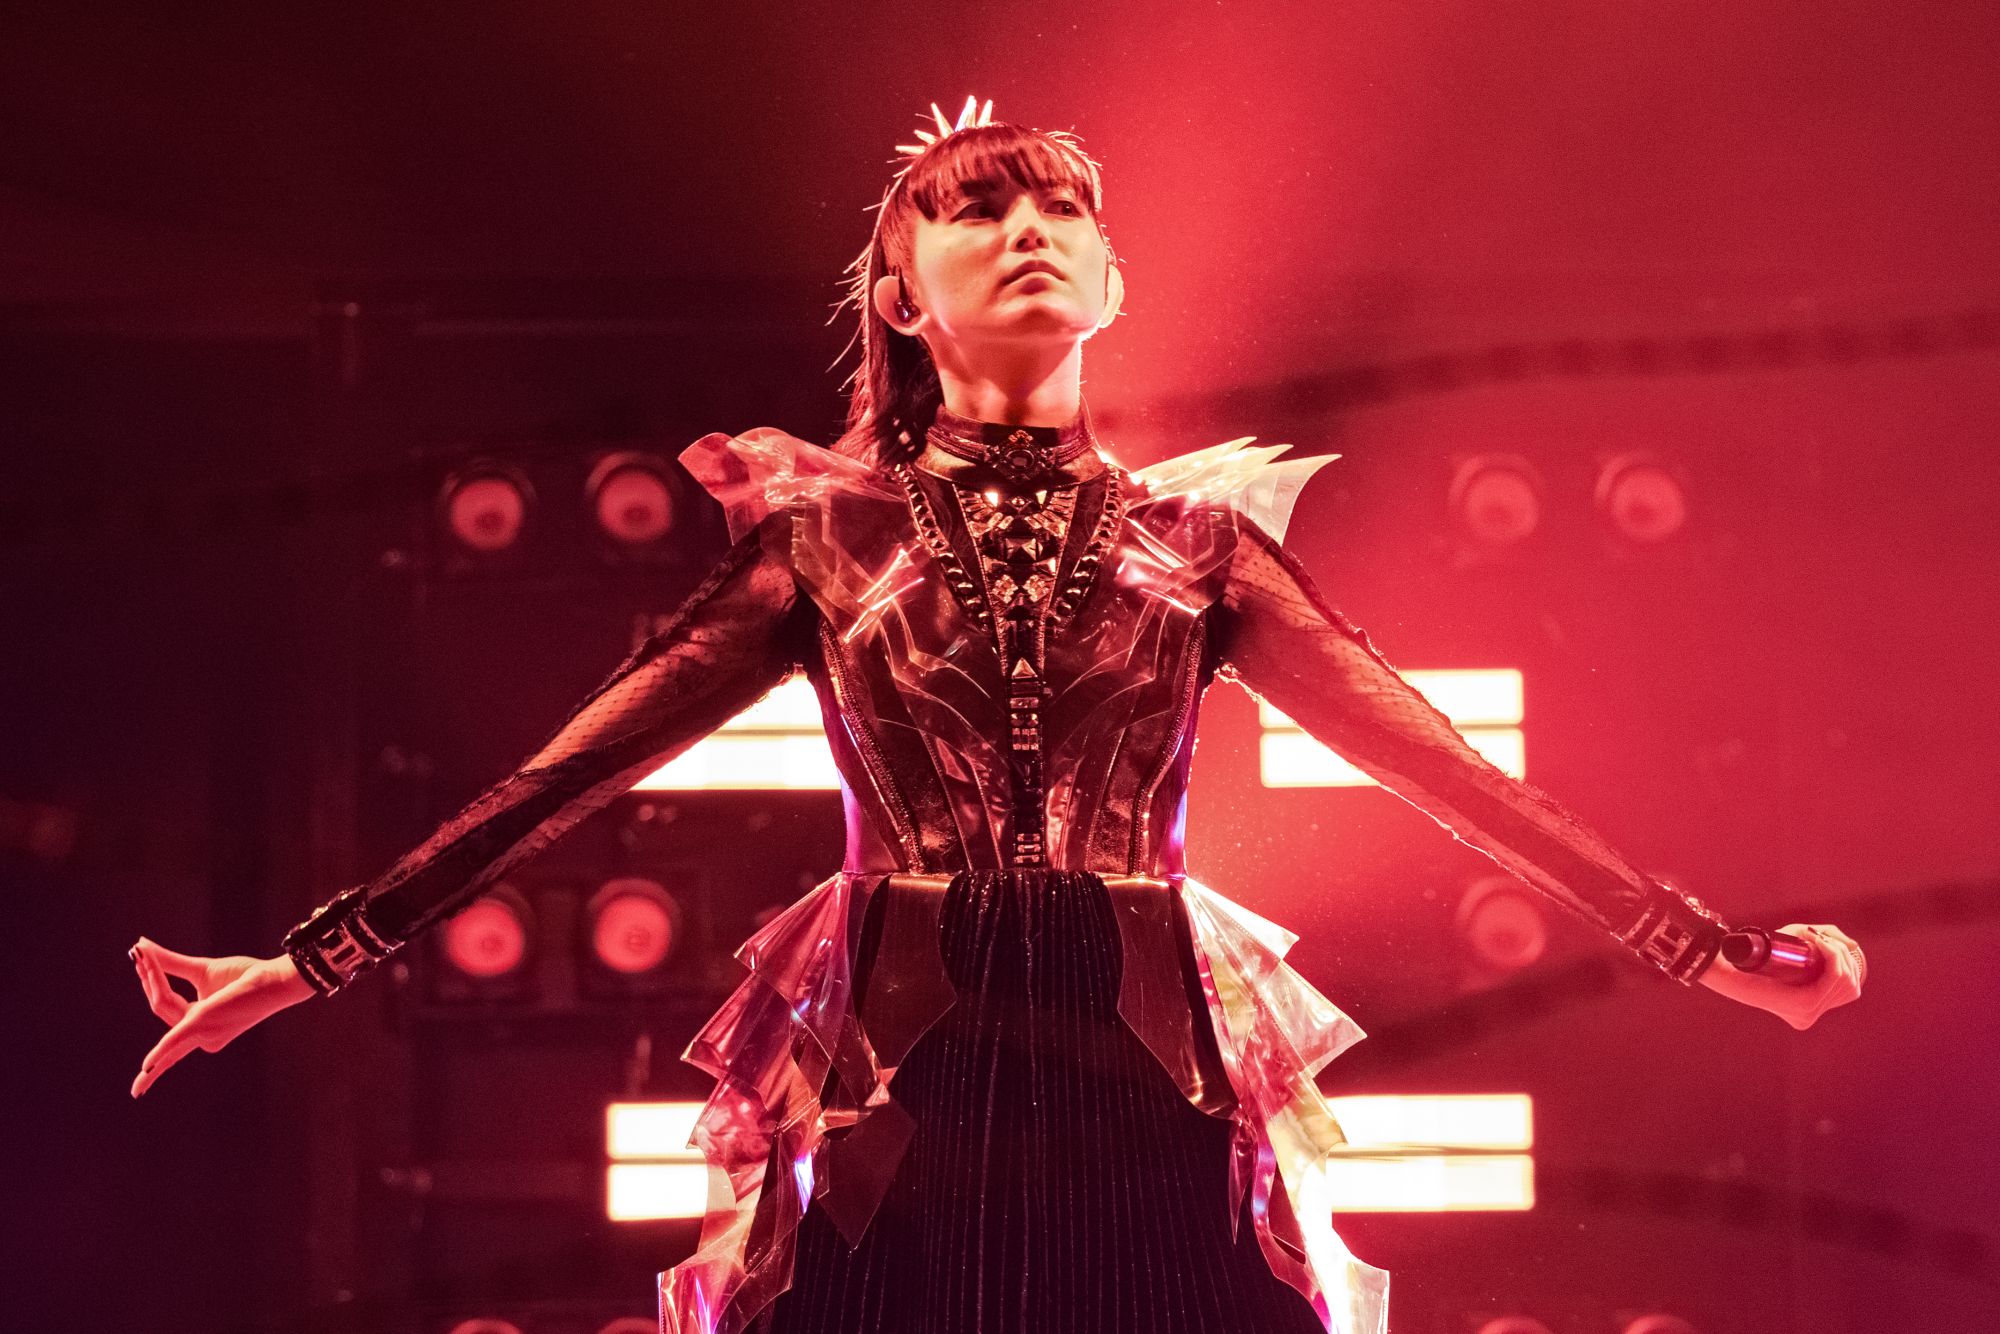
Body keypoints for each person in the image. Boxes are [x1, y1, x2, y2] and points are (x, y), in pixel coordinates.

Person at [130, 100, 1864, 1334]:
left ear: (1111, 282)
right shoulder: (826, 539)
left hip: (1148, 1045)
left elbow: (1441, 765)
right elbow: (573, 766)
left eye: (1059, 212)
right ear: (902, 297)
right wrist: (313, 957)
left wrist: (1705, 949)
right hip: (902, 1053)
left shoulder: (1200, 544)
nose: (1027, 230)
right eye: (975, 211)